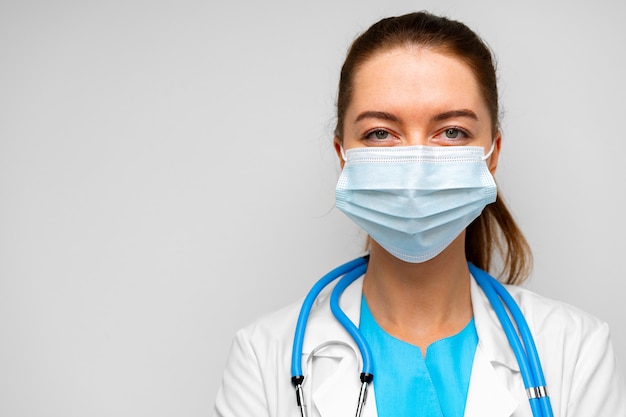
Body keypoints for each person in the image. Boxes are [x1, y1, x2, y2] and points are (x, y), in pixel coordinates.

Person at [213, 11, 626, 417]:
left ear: (491, 155)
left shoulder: (574, 349)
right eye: (380, 133)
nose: (416, 164)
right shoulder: (264, 356)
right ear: (344, 158)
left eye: (451, 132)